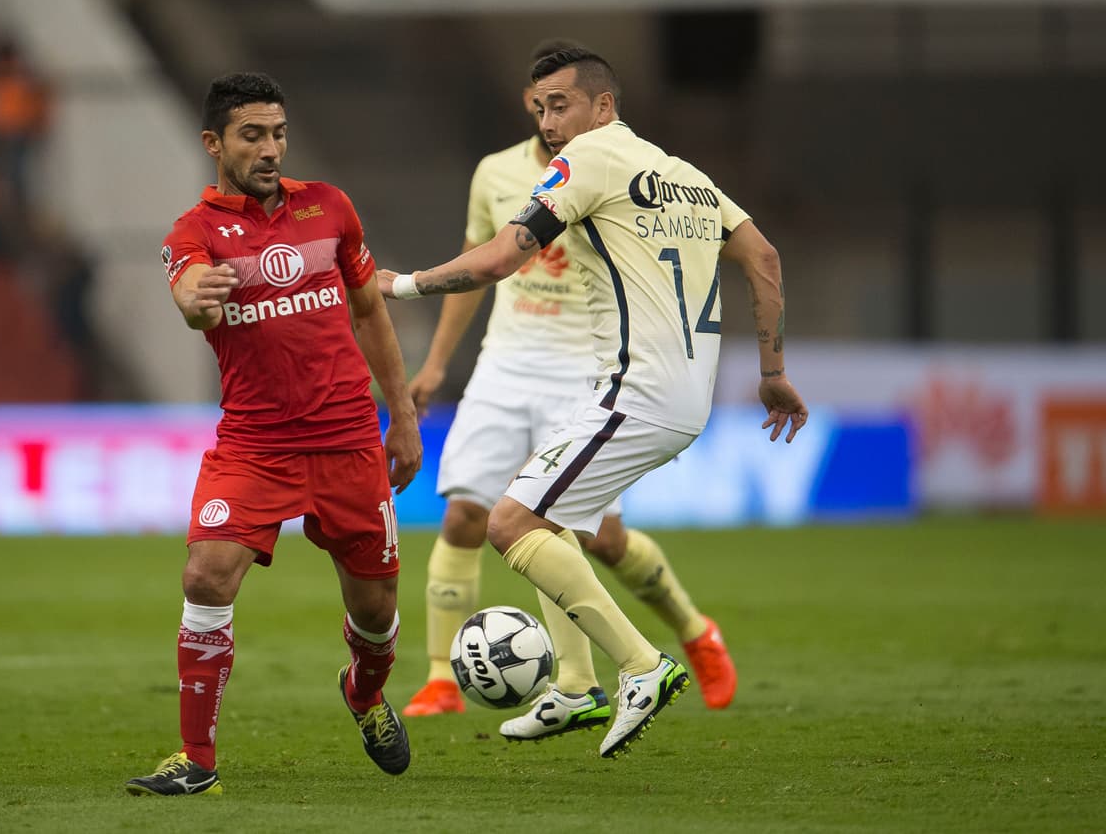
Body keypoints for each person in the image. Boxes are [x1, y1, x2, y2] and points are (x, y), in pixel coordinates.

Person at [379, 48, 807, 759]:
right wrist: (773, 370)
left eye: (562, 105)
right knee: (549, 524)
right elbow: (764, 258)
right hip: (676, 396)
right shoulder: (689, 178)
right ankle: (576, 686)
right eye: (540, 108)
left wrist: (399, 286)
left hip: (630, 390)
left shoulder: (587, 164)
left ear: (603, 106)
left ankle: (642, 664)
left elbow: (497, 260)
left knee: (509, 522)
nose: (550, 122)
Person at [127, 73, 422, 795]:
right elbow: (190, 296)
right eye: (252, 134)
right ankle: (198, 760)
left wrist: (404, 411)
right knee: (205, 573)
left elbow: (369, 311)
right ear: (214, 143)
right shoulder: (193, 234)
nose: (269, 148)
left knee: (377, 611)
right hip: (255, 445)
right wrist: (196, 299)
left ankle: (363, 690)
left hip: (349, 436)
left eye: (278, 132)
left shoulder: (330, 208)